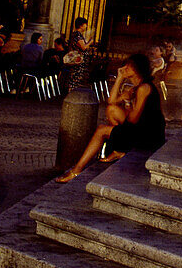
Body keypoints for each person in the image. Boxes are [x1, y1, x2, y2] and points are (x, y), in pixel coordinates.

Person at [56, 53, 165, 182]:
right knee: (111, 110)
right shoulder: (136, 88)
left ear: (137, 69)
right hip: (142, 128)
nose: (125, 68)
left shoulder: (144, 88)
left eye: (129, 66)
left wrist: (128, 102)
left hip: (149, 136)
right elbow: (111, 101)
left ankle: (76, 171)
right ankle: (119, 149)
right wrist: (119, 78)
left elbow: (133, 119)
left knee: (101, 130)